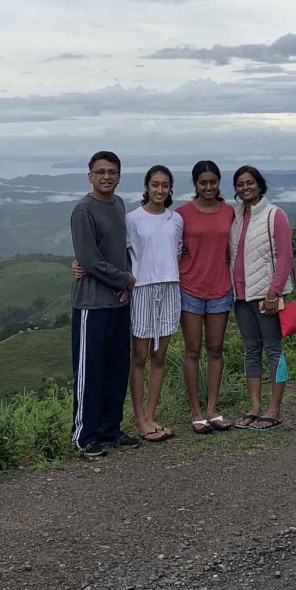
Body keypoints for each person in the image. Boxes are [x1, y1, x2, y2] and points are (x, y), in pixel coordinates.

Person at [69, 151, 138, 457]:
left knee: (116, 368)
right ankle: (84, 435)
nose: (107, 176)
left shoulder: (119, 204)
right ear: (90, 176)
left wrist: (124, 282)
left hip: (118, 303)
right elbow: (89, 261)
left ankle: (110, 429)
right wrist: (123, 279)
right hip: (92, 305)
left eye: (112, 172)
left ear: (119, 176)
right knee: (90, 370)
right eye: (101, 172)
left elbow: (119, 249)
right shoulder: (84, 210)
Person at [228, 165, 293, 430]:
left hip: (265, 297)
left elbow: (285, 257)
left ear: (259, 185)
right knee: (251, 351)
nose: (245, 188)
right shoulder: (233, 216)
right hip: (240, 296)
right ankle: (254, 407)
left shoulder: (274, 215)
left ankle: (274, 409)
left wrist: (273, 292)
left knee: (274, 350)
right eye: (240, 184)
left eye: (250, 183)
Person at [176, 160, 236, 434]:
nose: (209, 187)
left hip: (220, 288)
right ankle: (196, 411)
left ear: (219, 182)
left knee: (215, 349)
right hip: (189, 287)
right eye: (203, 182)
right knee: (192, 350)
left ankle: (212, 409)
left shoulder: (229, 212)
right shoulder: (181, 213)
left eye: (213, 182)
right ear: (195, 184)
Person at [124, 165, 184, 442]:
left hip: (170, 287)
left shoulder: (176, 220)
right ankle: (138, 419)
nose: (160, 190)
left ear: (171, 189)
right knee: (139, 356)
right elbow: (121, 253)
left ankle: (150, 415)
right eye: (155, 184)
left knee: (159, 356)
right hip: (143, 288)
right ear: (146, 186)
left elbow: (178, 252)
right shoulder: (132, 219)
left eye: (165, 185)